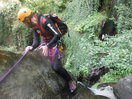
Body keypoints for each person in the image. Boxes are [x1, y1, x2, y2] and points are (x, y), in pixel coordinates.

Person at [17, 8, 76, 93]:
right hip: (47, 42)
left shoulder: (44, 20)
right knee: (38, 57)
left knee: (56, 67)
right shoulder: (34, 25)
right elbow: (36, 42)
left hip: (56, 42)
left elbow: (57, 34)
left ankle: (70, 81)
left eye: (25, 22)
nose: (25, 24)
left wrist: (47, 46)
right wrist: (31, 47)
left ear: (28, 19)